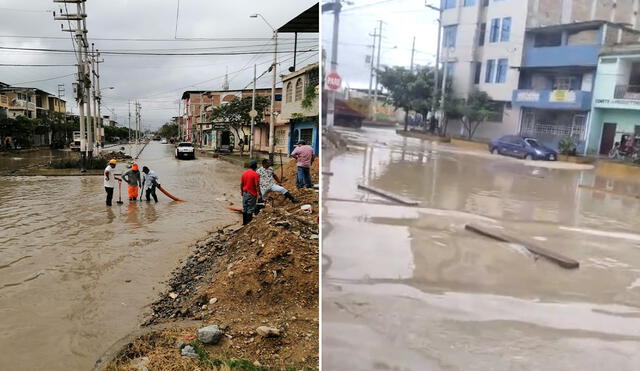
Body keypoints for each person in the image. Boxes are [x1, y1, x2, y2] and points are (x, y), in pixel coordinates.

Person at [240, 160, 261, 225]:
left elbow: (241, 184)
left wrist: (241, 191)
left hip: (245, 193)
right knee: (250, 209)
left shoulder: (244, 173)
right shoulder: (255, 174)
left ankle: (244, 223)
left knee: (245, 208)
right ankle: (248, 224)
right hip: (251, 193)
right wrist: (259, 194)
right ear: (256, 167)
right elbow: (257, 185)